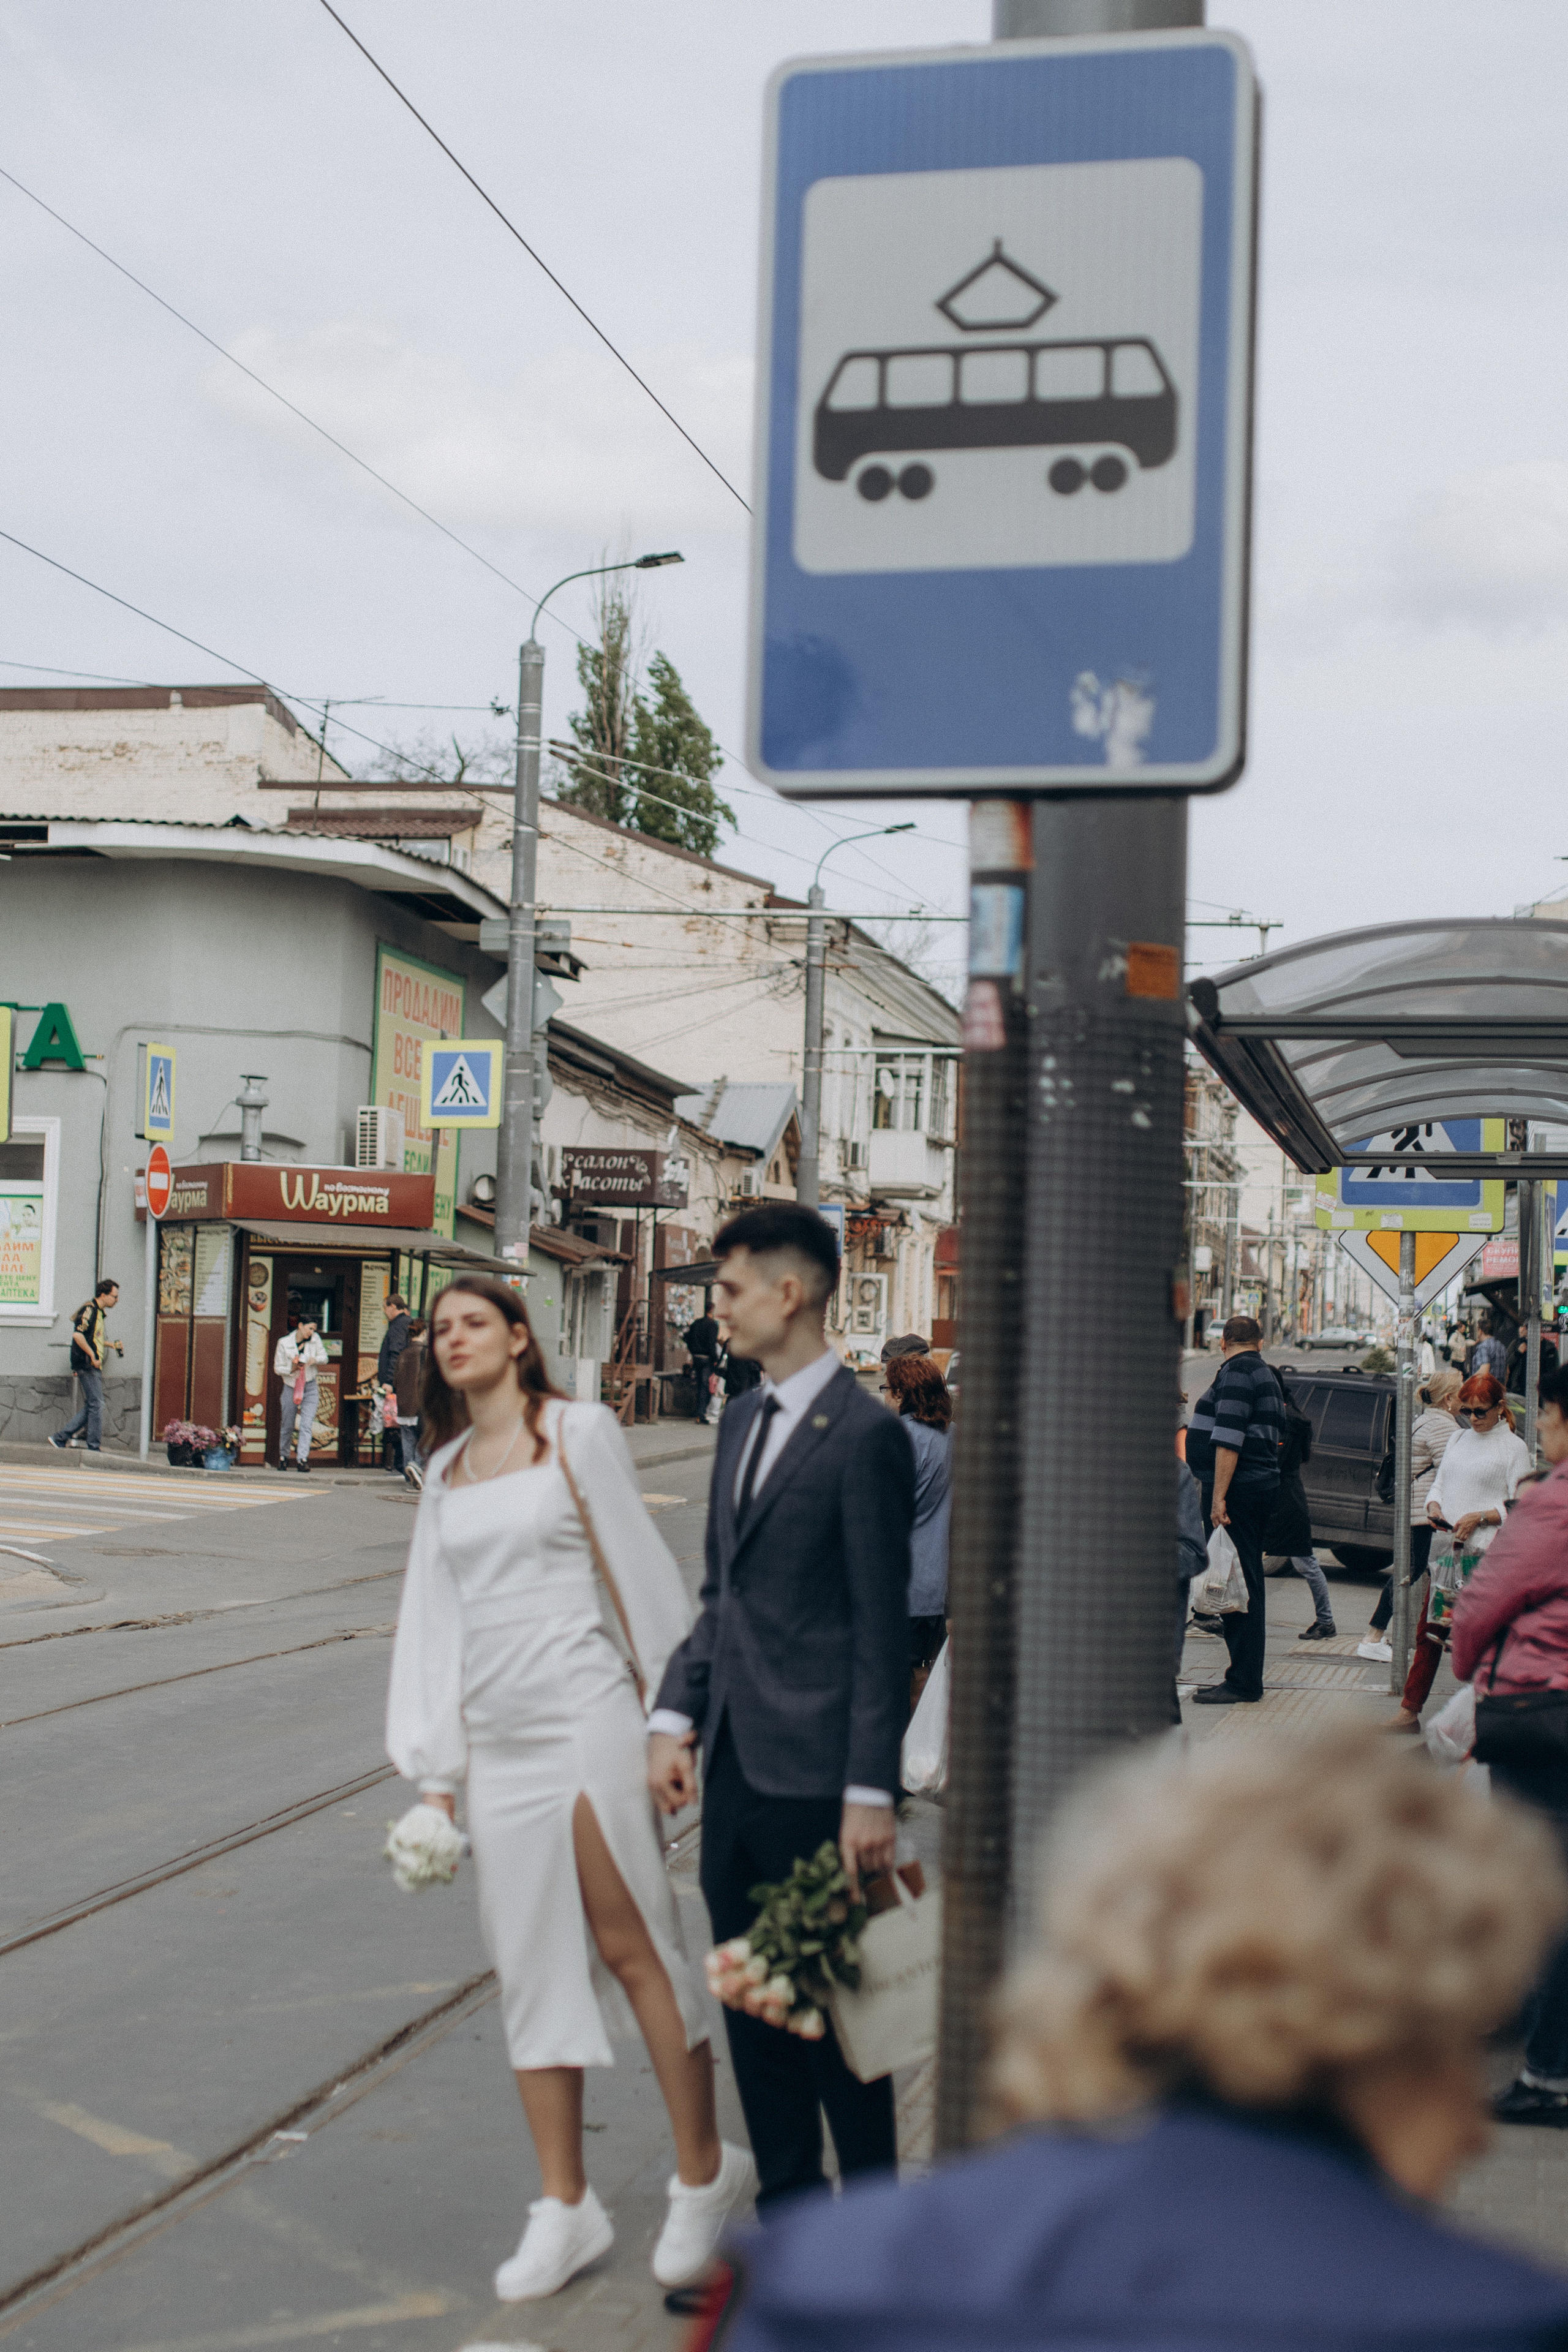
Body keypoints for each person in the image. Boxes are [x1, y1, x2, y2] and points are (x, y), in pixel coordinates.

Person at [710, 1730, 1568, 2351]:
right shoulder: (1499, 2320)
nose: (1476, 2127)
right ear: (1377, 2036)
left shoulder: (808, 2283)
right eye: (1459, 2039)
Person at [385, 1273, 754, 2301]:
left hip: (587, 1718)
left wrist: (670, 1724)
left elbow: (642, 1577)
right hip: (497, 1743)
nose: (452, 1340)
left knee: (634, 1941)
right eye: (441, 1330)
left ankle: (701, 2172)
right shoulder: (449, 1466)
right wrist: (437, 1783)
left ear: (516, 1337)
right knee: (531, 1965)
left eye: (473, 1324)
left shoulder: (577, 1432)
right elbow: (435, 1628)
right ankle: (567, 2206)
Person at [647, 1202, 914, 2213]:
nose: (717, 1313)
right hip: (739, 1776)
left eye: (727, 1292)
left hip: (821, 1790)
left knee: (845, 2033)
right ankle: (796, 2235)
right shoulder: (744, 1421)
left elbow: (880, 1630)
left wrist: (868, 1792)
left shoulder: (864, 1436)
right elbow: (726, 1598)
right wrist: (674, 1717)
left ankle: (879, 2241)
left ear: (787, 1292)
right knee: (758, 2020)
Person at [1452, 1363, 1568, 2125]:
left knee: (1541, 1888)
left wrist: (1465, 1667)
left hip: (1541, 1713)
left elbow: (1483, 1603)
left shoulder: (1554, 1503)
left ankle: (1546, 2068)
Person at [1187, 1315, 1283, 1705]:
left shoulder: (1239, 1372)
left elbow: (1229, 1438)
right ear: (1261, 1342)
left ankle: (1243, 1681)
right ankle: (1244, 1676)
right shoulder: (1262, 1372)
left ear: (1224, 1342)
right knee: (1244, 1582)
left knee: (1237, 1584)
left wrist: (1218, 1496)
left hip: (1239, 1489)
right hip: (1255, 1486)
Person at [1359, 1367, 1461, 1671]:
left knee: (1428, 1572)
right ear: (1448, 1399)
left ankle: (1427, 1635)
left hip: (1418, 1510)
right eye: (1461, 1393)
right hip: (1427, 1513)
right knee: (1418, 1570)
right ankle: (1373, 1638)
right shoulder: (1443, 1427)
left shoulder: (1425, 1420)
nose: (1464, 1399)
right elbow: (1451, 1473)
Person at [884, 1352, 952, 1709]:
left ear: (900, 1393)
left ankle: (901, 1759)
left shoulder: (900, 1439)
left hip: (902, 1585)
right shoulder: (952, 1437)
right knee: (925, 1677)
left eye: (886, 1388)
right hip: (938, 1585)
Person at [1265, 1365, 1335, 1642]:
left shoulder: (1285, 1419)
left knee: (1305, 1562)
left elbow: (1277, 1461)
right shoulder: (1288, 1414)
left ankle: (1327, 1621)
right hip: (1285, 1495)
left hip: (1286, 1499)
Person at [50, 1275, 121, 1453]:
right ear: (103, 1295)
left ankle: (60, 1438)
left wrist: (110, 1345)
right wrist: (93, 1356)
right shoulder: (90, 1310)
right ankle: (93, 1446)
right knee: (97, 1404)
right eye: (115, 1296)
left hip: (91, 1364)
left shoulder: (98, 1313)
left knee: (93, 1404)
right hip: (88, 1364)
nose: (117, 1300)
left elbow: (92, 1338)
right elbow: (78, 1335)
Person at [274, 1314, 328, 1471]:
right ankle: (283, 1457)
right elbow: (277, 1368)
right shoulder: (284, 1343)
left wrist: (314, 1360)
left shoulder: (315, 1339)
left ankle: (302, 1459)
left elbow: (325, 1357)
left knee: (306, 1424)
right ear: (300, 1326)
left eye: (314, 1329)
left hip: (310, 1386)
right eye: (310, 1328)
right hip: (291, 1386)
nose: (311, 1332)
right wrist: (291, 1369)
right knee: (288, 1424)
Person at [378, 1292, 412, 1472]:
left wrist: (389, 1380)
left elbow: (395, 1353)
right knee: (400, 1423)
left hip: (397, 1384)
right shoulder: (403, 1323)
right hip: (404, 1383)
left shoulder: (399, 1325)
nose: (384, 1312)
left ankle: (401, 1463)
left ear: (393, 1307)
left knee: (397, 1424)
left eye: (385, 1307)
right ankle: (402, 1463)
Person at [393, 1315, 426, 1488]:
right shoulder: (425, 1353)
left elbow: (396, 1381)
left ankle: (410, 1475)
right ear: (424, 1332)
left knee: (408, 1439)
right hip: (420, 1405)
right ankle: (417, 1466)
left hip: (403, 1405)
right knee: (428, 1437)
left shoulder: (403, 1354)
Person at [683, 1308, 721, 1424]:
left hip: (696, 1357)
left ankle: (699, 1412)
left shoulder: (696, 1323)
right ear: (712, 1311)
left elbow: (686, 1337)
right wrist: (715, 1359)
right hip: (707, 1359)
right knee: (706, 1385)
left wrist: (692, 1350)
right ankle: (701, 1413)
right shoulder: (712, 1325)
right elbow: (712, 1343)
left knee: (700, 1384)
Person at [1468, 1316, 1508, 1384]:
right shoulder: (1501, 1346)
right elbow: (1507, 1371)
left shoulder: (1483, 1347)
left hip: (1485, 1389)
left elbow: (1484, 1370)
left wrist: (1468, 1383)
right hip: (1498, 1389)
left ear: (1480, 1331)